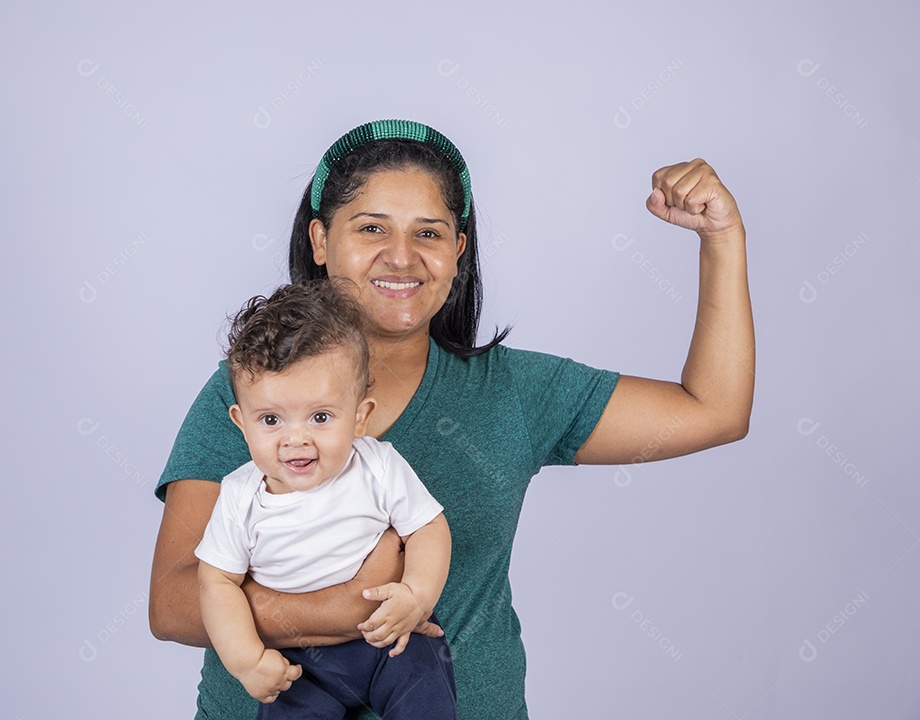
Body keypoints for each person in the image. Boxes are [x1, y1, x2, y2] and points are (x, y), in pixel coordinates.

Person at [150, 119, 754, 720]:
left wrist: (722, 238)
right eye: (370, 228)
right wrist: (342, 611)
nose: (402, 257)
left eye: (430, 233)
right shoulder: (254, 392)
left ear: (457, 251)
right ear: (320, 240)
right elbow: (173, 604)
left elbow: (714, 412)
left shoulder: (514, 391)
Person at [196, 280, 458, 718]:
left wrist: (416, 595)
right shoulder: (240, 495)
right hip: (300, 661)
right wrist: (247, 661)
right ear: (241, 424)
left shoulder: (377, 465)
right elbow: (216, 582)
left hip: (386, 637)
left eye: (320, 417)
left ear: (360, 417)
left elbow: (428, 527)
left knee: (423, 679)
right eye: (270, 419)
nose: (295, 439)